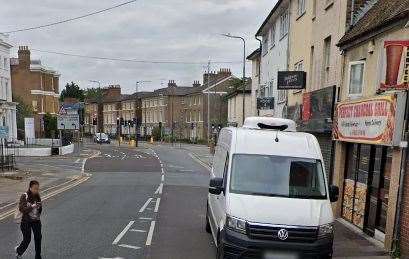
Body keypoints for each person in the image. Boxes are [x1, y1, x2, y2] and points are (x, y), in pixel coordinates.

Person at [15, 180, 42, 259]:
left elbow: (40, 210)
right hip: (26, 221)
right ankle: (19, 251)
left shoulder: (37, 196)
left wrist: (39, 207)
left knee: (38, 238)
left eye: (37, 189)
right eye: (35, 189)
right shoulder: (24, 196)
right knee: (27, 239)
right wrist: (32, 206)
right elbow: (22, 209)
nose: (36, 190)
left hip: (36, 220)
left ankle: (38, 256)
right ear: (30, 188)